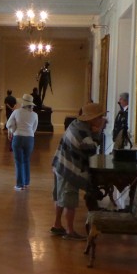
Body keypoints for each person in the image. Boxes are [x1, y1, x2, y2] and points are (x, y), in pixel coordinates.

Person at [51, 102, 107, 240]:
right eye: (100, 117)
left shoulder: (76, 124)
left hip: (60, 164)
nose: (102, 120)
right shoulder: (82, 131)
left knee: (60, 196)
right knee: (69, 200)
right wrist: (98, 132)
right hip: (69, 169)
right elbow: (92, 149)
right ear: (92, 118)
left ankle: (57, 225)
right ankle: (70, 231)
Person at [6, 93, 39, 191]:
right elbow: (34, 128)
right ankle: (26, 182)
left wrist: (13, 130)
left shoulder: (17, 112)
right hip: (29, 139)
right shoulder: (35, 114)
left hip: (18, 137)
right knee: (26, 160)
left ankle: (19, 185)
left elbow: (8, 124)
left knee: (18, 161)